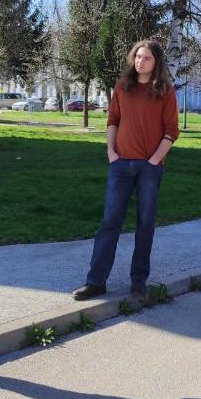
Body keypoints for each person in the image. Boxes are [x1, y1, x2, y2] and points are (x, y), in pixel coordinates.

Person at [72, 40, 179, 302]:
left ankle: (138, 282)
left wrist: (154, 160)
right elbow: (113, 121)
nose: (141, 62)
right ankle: (95, 282)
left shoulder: (165, 91)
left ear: (157, 63)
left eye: (147, 58)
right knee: (109, 223)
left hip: (149, 169)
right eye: (138, 57)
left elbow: (172, 131)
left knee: (145, 224)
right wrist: (111, 151)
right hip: (120, 165)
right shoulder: (122, 87)